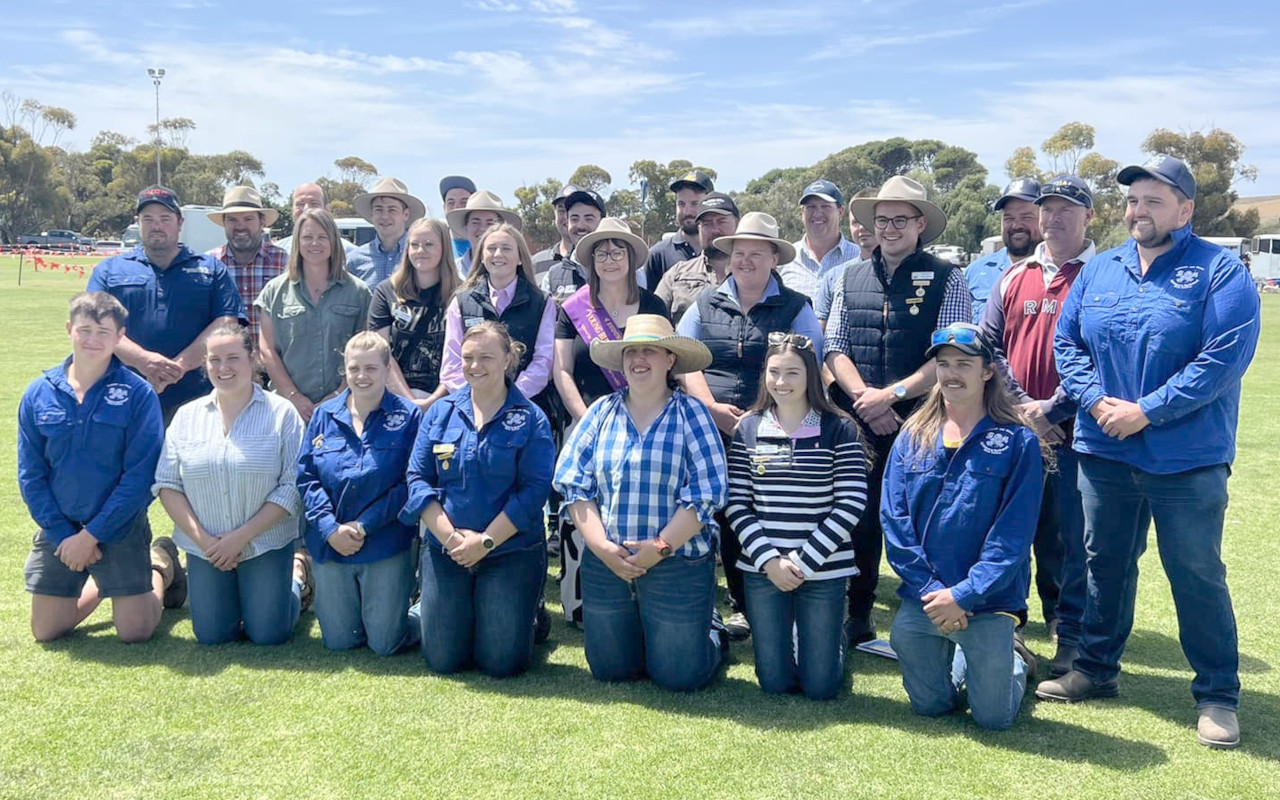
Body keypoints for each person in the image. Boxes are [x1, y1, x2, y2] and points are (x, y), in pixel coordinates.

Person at [1039, 154, 1261, 750]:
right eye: (1133, 200)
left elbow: (1223, 359)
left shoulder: (1219, 270)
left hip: (1187, 457)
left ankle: (1217, 694)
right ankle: (1095, 669)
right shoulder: (1101, 269)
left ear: (1186, 210)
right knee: (1102, 564)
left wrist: (1146, 410)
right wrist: (1099, 401)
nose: (1139, 211)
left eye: (1154, 201)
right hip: (1104, 449)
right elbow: (1069, 343)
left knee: (1196, 574)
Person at [824, 175, 972, 646]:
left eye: (899, 220)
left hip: (924, 418)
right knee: (859, 517)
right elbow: (834, 347)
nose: (888, 228)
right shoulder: (849, 276)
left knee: (924, 518)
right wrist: (867, 399)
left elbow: (950, 356)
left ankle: (929, 615)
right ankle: (858, 612)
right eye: (881, 220)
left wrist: (891, 395)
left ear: (920, 223)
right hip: (861, 421)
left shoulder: (950, 277)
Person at [554, 315, 729, 691]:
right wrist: (600, 547)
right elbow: (572, 483)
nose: (638, 359)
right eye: (631, 351)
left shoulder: (692, 413)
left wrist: (661, 547)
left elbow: (708, 490)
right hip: (607, 564)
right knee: (611, 671)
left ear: (670, 360)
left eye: (649, 350)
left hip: (678, 560)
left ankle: (711, 630)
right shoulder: (601, 412)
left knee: (680, 677)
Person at [884, 323, 1043, 731]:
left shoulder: (1017, 440)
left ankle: (1015, 657)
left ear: (988, 371)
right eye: (944, 364)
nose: (951, 374)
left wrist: (967, 593)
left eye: (963, 364)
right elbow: (894, 519)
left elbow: (1013, 534)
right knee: (932, 708)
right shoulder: (912, 434)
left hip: (988, 601)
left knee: (993, 719)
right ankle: (959, 653)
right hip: (928, 597)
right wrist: (933, 591)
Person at [677, 211, 825, 640]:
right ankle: (737, 604)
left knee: (767, 508)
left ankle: (775, 594)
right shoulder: (705, 303)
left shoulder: (797, 307)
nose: (745, 261)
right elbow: (685, 359)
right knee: (721, 512)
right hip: (711, 427)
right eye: (739, 253)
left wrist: (765, 416)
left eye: (756, 254)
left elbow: (808, 363)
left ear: (773, 259)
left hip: (775, 427)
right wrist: (711, 408)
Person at [979, 174, 1096, 673]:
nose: (1054, 217)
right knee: (1009, 529)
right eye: (1047, 208)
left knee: (1069, 539)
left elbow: (1105, 354)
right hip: (1015, 431)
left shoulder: (1102, 274)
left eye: (1066, 208)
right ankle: (1009, 621)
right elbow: (990, 346)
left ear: (1089, 216)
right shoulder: (1014, 275)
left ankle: (1068, 631)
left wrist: (1055, 409)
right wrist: (1025, 406)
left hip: (1078, 433)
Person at [18, 291, 178, 642]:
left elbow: (140, 477)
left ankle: (158, 566)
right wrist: (66, 537)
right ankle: (102, 577)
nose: (93, 340)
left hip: (119, 525)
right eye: (85, 329)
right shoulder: (38, 393)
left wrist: (92, 536)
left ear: (120, 338)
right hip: (61, 526)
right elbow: (31, 476)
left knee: (134, 632)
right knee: (47, 631)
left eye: (104, 332)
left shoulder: (138, 393)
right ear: (69, 329)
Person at [402, 321, 555, 676]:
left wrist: (484, 542)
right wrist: (453, 540)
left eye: (486, 357)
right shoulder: (440, 412)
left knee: (501, 662)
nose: (474, 366)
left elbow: (533, 492)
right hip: (448, 549)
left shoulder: (532, 419)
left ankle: (531, 614)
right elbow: (418, 480)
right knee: (444, 661)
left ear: (507, 360)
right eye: (468, 357)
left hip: (510, 550)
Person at [725, 334, 867, 699]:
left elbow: (851, 501)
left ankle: (830, 641)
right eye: (774, 373)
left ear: (811, 376)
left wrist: (804, 561)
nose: (782, 382)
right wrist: (770, 560)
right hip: (764, 569)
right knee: (775, 684)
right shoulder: (748, 428)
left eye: (793, 373)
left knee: (821, 687)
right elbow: (737, 503)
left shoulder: (839, 427)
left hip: (823, 567)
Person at [153, 323, 312, 645]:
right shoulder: (187, 416)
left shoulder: (282, 413)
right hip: (206, 546)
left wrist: (239, 538)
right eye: (214, 360)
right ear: (205, 364)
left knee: (268, 634)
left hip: (265, 540)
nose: (223, 368)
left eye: (233, 358)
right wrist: (206, 542)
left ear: (252, 359)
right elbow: (167, 484)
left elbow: (292, 485)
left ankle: (298, 577)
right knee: (213, 635)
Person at [552, 218, 669, 625]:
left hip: (647, 421)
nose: (610, 259)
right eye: (601, 252)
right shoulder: (572, 309)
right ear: (590, 260)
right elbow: (562, 370)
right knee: (581, 512)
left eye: (618, 251)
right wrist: (587, 420)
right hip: (587, 424)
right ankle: (579, 604)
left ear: (633, 257)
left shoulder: (654, 306)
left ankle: (641, 600)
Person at [296, 333, 422, 655]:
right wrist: (329, 528)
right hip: (331, 540)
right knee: (340, 641)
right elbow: (307, 476)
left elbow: (411, 482)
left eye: (371, 368)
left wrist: (363, 525)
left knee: (384, 643)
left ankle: (424, 610)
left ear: (386, 369)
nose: (362, 376)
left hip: (384, 539)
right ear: (345, 370)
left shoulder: (409, 417)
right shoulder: (324, 415)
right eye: (354, 368)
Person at [88, 185, 246, 423]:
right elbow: (95, 325)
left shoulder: (211, 270)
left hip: (198, 399)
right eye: (148, 219)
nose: (157, 225)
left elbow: (226, 322)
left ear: (180, 222)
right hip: (124, 396)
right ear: (137, 222)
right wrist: (144, 360)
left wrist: (179, 366)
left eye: (165, 218)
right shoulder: (109, 271)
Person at [256, 208, 372, 422]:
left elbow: (366, 352)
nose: (314, 243)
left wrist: (338, 395)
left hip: (345, 407)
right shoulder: (274, 291)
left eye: (322, 237)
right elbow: (267, 351)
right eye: (307, 237)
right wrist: (294, 397)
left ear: (334, 241)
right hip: (287, 409)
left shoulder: (359, 292)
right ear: (297, 242)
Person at [440, 223, 556, 410]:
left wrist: (511, 397)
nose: (498, 254)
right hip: (470, 408)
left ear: (520, 258)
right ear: (482, 256)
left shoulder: (542, 302)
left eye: (506, 248)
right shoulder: (461, 302)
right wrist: (477, 398)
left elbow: (544, 361)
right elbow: (451, 364)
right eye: (491, 248)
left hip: (525, 406)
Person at [367, 217, 460, 413]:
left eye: (428, 244)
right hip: (394, 401)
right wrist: (409, 402)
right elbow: (381, 352)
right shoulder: (386, 292)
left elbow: (464, 354)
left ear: (444, 248)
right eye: (414, 244)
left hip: (448, 401)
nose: (420, 251)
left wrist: (435, 401)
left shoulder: (462, 294)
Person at [207, 186, 288, 346]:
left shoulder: (283, 261)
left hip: (274, 365)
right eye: (232, 220)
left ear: (262, 222)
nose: (240, 226)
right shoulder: (210, 263)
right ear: (224, 223)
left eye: (248, 219)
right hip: (226, 366)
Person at [966, 179, 1043, 323]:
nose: (1016, 225)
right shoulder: (975, 272)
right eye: (1008, 218)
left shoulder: (1057, 274)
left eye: (1026, 217)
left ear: (1043, 219)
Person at [654, 192, 739, 322]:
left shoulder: (752, 272)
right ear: (699, 228)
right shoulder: (676, 275)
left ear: (737, 225)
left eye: (722, 221)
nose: (715, 229)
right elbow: (653, 322)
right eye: (707, 223)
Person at [778, 180, 862, 298]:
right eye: (811, 207)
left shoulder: (860, 257)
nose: (817, 213)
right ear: (802, 212)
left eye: (825, 206)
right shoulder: (785, 260)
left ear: (841, 212)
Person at [814, 187, 879, 330]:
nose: (861, 227)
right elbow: (819, 330)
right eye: (855, 222)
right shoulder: (834, 277)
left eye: (868, 220)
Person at [345, 177, 427, 287]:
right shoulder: (354, 261)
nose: (385, 216)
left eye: (392, 210)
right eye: (379, 210)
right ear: (372, 215)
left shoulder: (422, 256)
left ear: (406, 214)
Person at [644, 170, 714, 289]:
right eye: (681, 204)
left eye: (695, 204)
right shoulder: (658, 255)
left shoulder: (721, 251)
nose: (687, 211)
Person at [544, 188, 607, 301]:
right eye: (574, 219)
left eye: (589, 219)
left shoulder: (623, 268)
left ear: (603, 222)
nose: (581, 225)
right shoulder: (552, 276)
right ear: (567, 223)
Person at [445, 190, 523, 279]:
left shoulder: (514, 270)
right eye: (476, 222)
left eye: (490, 223)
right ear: (466, 226)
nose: (482, 228)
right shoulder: (451, 272)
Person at [272, 182, 356, 256]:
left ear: (327, 209)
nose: (306, 209)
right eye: (300, 204)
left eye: (314, 203)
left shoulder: (349, 253)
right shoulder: (277, 253)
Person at [532, 183, 582, 276]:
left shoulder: (600, 262)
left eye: (573, 210)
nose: (568, 217)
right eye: (561, 210)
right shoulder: (536, 263)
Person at [439, 175, 476, 269]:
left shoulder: (488, 245)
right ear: (444, 208)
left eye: (464, 202)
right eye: (451, 203)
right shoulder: (436, 245)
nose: (457, 207)